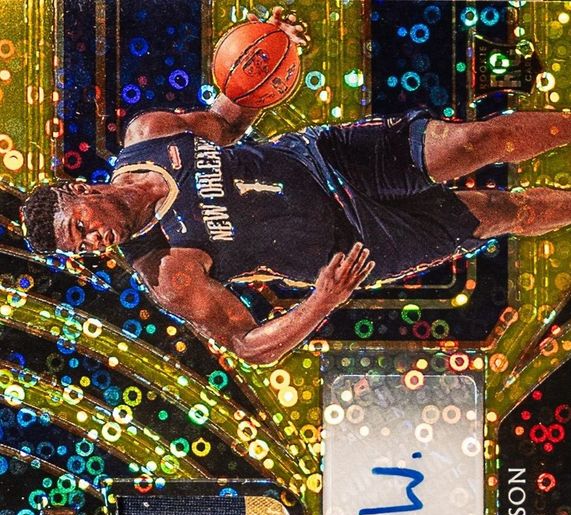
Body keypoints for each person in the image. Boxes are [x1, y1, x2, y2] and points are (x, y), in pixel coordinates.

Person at [21, 8, 571, 365]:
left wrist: (268, 50)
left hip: (324, 159)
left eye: (80, 229)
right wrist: (322, 300)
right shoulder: (167, 273)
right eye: (82, 249)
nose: (94, 243)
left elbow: (229, 118)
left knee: (473, 141)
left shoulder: (150, 134)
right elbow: (246, 345)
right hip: (349, 247)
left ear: (79, 192)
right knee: (502, 211)